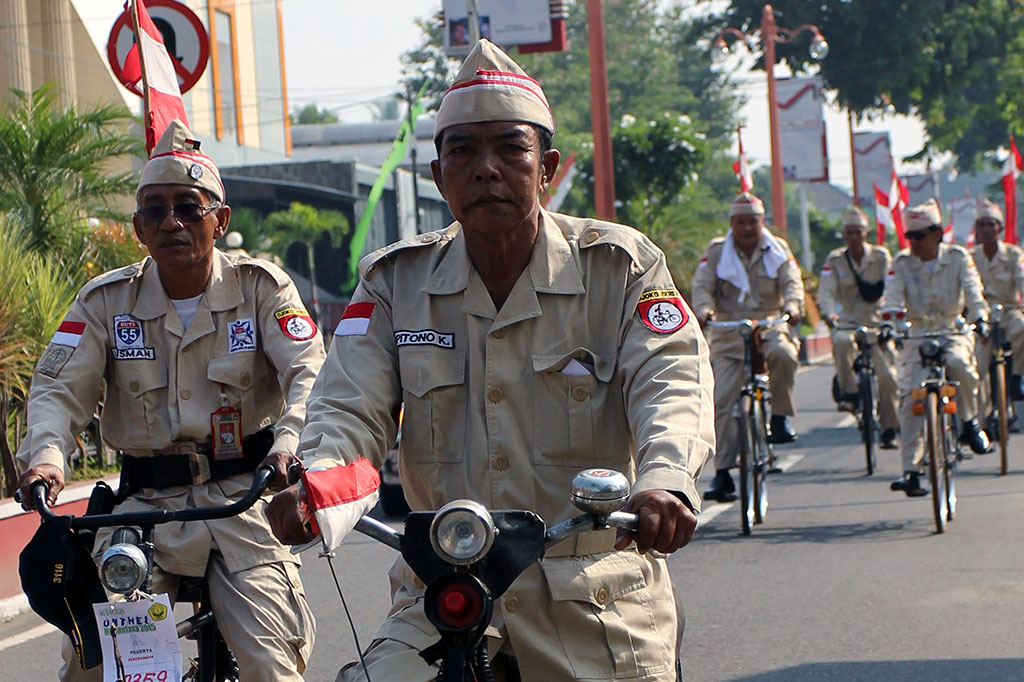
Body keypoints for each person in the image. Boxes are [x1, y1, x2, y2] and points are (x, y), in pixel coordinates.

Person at [267, 39, 714, 681]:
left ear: (548, 166)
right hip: (441, 593)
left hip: (592, 593)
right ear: (438, 175)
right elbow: (346, 405)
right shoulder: (396, 283)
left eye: (510, 147)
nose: (486, 169)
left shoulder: (620, 268)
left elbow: (672, 384)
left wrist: (665, 479)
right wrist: (317, 481)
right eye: (463, 151)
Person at [16, 119, 324, 682]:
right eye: (154, 211)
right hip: (145, 510)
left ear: (220, 219)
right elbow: (59, 389)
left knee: (271, 667)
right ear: (138, 228)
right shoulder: (106, 301)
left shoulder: (262, 289)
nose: (172, 222)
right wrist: (46, 458)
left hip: (241, 501)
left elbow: (309, 372)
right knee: (96, 667)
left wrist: (289, 444)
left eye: (189, 206)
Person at [691, 192, 804, 503]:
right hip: (728, 332)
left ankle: (779, 417)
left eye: (753, 222)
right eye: (741, 222)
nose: (747, 228)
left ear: (761, 222)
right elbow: (702, 286)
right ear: (732, 224)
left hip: (769, 326)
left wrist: (793, 306)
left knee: (784, 355)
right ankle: (724, 473)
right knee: (722, 400)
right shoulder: (717, 252)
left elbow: (792, 282)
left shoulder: (777, 249)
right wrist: (702, 310)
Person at [884, 199, 990, 496]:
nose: (914, 242)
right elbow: (891, 299)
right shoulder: (901, 263)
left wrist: (979, 317)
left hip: (951, 329)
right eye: (910, 236)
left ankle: (970, 424)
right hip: (917, 335)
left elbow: (973, 291)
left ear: (936, 233)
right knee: (909, 400)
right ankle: (912, 471)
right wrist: (889, 323)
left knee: (960, 367)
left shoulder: (958, 257)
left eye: (919, 236)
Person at [818, 206, 900, 448]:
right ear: (844, 235)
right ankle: (849, 393)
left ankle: (889, 429)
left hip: (876, 323)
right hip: (848, 321)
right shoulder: (835, 260)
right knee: (842, 342)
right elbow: (826, 290)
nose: (854, 237)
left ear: (866, 233)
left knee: (888, 378)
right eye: (849, 232)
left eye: (858, 232)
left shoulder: (881, 257)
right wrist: (829, 313)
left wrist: (891, 318)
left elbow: (894, 287)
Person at [970, 197, 1024, 430]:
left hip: (1009, 312)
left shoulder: (1014, 254)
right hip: (982, 317)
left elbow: (1023, 279)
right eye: (981, 224)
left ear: (999, 228)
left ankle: (1017, 379)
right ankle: (979, 422)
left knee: (1022, 328)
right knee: (975, 367)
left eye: (991, 224)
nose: (986, 229)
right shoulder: (970, 257)